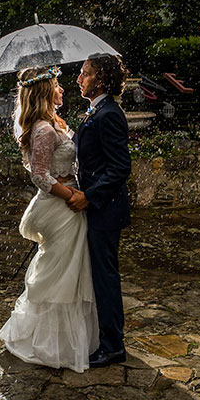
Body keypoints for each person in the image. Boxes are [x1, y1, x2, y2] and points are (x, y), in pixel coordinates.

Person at [0, 66, 98, 372]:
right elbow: (40, 176)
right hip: (60, 207)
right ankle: (50, 344)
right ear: (44, 92)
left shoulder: (53, 124)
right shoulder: (42, 129)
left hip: (68, 199)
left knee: (71, 271)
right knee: (60, 275)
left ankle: (68, 341)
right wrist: (71, 195)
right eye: (56, 85)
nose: (62, 89)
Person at [68, 54, 131, 368]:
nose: (79, 79)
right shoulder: (95, 111)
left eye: (86, 74)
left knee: (105, 277)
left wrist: (89, 197)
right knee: (100, 275)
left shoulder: (109, 114)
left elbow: (120, 168)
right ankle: (104, 337)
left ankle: (113, 345)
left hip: (106, 210)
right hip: (96, 207)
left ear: (102, 80)